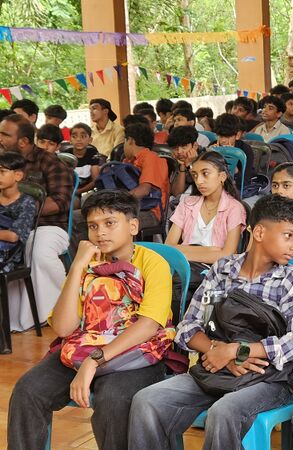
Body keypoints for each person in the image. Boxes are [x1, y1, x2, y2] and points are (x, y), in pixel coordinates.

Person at [129, 195, 293, 450]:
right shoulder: (222, 271)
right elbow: (190, 326)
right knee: (147, 400)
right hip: (217, 369)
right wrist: (217, 351)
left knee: (224, 412)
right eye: (289, 236)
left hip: (268, 378)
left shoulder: (289, 279)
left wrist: (236, 352)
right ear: (259, 232)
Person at [8, 191, 173, 450]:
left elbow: (148, 326)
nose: (100, 232)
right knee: (28, 391)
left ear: (133, 226)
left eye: (110, 223)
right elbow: (63, 328)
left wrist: (93, 361)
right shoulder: (87, 264)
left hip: (136, 351)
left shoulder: (153, 264)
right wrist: (77, 267)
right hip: (83, 346)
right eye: (93, 226)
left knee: (114, 400)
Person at [0, 114, 74, 331]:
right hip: (7, 226)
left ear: (23, 141)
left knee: (38, 251)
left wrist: (20, 213)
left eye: (5, 135)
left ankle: (55, 311)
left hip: (48, 226)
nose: (0, 139)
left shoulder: (50, 162)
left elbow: (61, 201)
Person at [165, 150, 246, 265]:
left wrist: (182, 251)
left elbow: (227, 255)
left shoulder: (234, 208)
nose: (199, 181)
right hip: (184, 266)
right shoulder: (187, 203)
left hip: (216, 270)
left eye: (205, 174)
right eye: (195, 175)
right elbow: (168, 246)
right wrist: (212, 251)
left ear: (222, 176)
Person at [0, 151, 36, 273]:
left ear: (18, 175)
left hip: (7, 255)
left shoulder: (26, 202)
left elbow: (13, 236)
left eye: (2, 171)